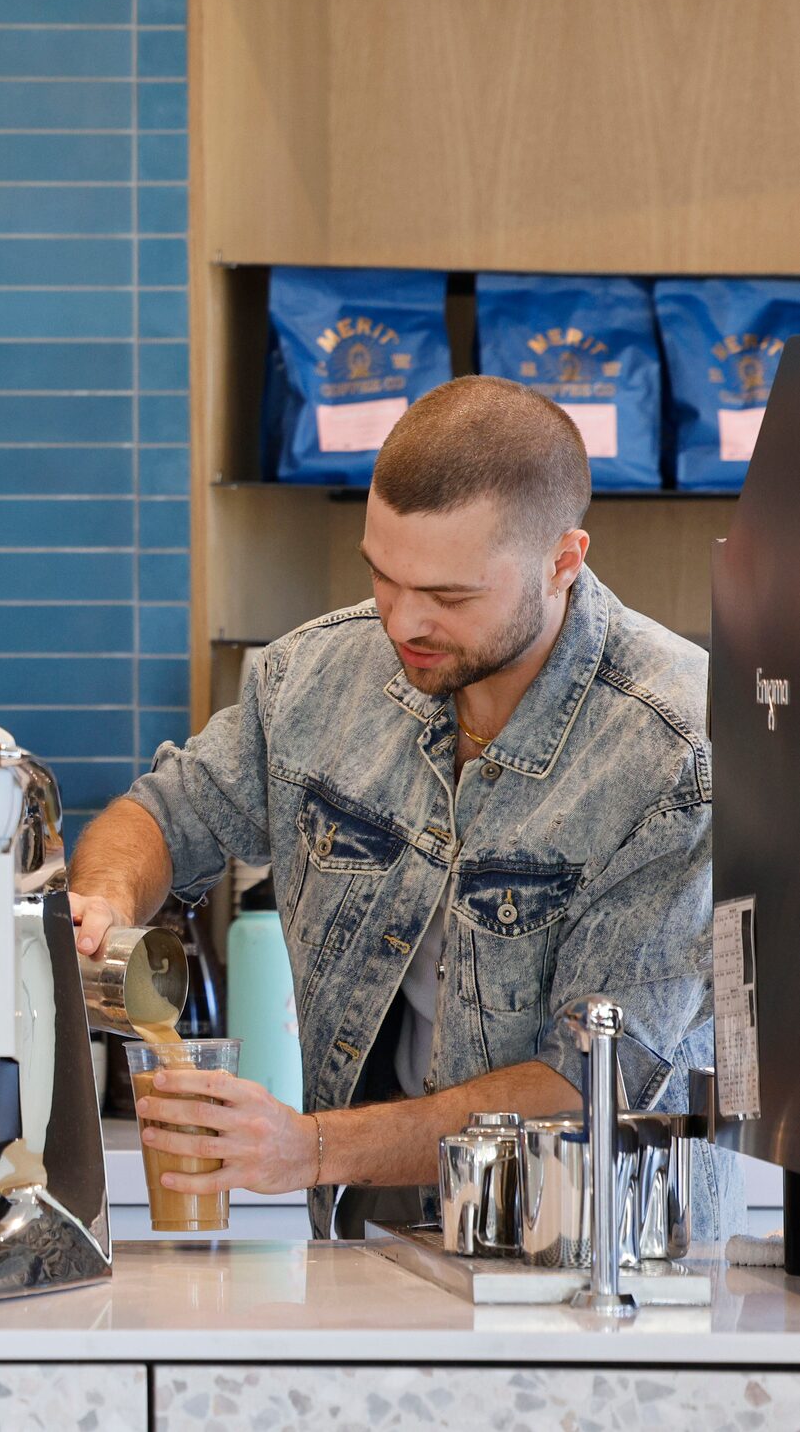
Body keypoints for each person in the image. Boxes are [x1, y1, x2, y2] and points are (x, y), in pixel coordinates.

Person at [67, 376, 722, 1237]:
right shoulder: (310, 677)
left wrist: (310, 1148)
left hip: (597, 1261)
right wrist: (106, 899)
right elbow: (166, 812)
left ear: (562, 561)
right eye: (382, 575)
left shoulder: (676, 752)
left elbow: (587, 1083)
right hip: (366, 1231)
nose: (402, 621)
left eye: (449, 597)